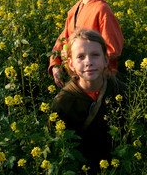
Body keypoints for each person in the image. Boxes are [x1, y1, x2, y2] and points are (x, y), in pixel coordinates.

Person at [51, 29, 127, 174]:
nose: (88, 62)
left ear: (106, 60)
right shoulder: (63, 102)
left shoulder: (119, 89)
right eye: (81, 57)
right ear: (71, 64)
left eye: (95, 55)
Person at [48, 0, 124, 88]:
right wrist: (56, 64)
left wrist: (82, 60)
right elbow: (61, 41)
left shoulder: (101, 10)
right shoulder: (74, 10)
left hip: (99, 80)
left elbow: (112, 49)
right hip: (78, 78)